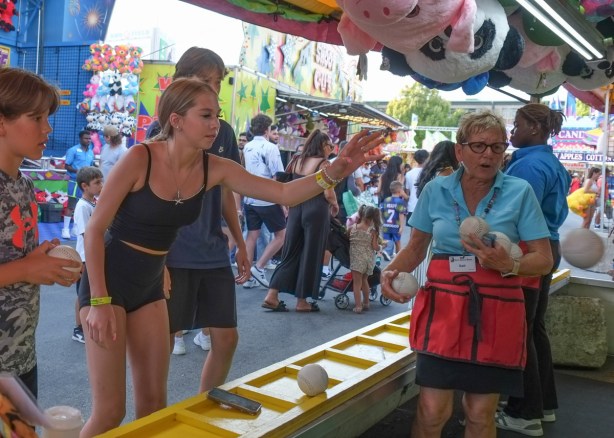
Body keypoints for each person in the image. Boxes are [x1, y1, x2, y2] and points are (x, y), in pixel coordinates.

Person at [77, 76, 383, 436]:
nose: (216, 125)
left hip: (150, 284)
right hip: (108, 281)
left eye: (217, 115)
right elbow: (96, 229)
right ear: (176, 120)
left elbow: (282, 194)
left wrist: (333, 172)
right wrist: (98, 300)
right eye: (206, 115)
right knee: (110, 413)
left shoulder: (214, 167)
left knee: (152, 410)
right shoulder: (140, 157)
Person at [381, 111, 553, 438]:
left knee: (479, 413)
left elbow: (544, 259)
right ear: (460, 151)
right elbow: (416, 248)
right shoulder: (436, 190)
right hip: (443, 311)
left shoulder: (520, 192)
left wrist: (511, 265)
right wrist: (389, 273)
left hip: (498, 312)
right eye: (478, 146)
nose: (489, 154)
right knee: (433, 411)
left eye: (497, 147)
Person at [144, 47, 248, 391]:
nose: (213, 88)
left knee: (227, 339)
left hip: (213, 250)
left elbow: (227, 191)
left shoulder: (223, 133)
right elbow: (135, 209)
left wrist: (240, 240)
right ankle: (154, 414)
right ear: (181, 82)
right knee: (162, 341)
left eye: (217, 82)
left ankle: (206, 404)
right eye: (205, 80)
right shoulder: (157, 134)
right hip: (172, 252)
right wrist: (158, 262)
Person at [0, 68, 81, 398]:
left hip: (20, 356)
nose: (47, 128)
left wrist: (41, 261)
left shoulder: (25, 185)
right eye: (36, 118)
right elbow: (20, 268)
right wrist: (26, 268)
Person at [495, 103, 571, 436]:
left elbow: (515, 214)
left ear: (535, 129)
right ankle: (542, 404)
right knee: (533, 328)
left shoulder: (529, 168)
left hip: (527, 251)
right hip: (548, 247)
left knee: (518, 330)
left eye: (518, 124)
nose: (512, 131)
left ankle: (524, 412)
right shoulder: (549, 162)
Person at [262, 130, 338, 312]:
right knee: (310, 254)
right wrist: (335, 204)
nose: (331, 150)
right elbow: (327, 191)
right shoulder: (323, 164)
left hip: (296, 209)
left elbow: (285, 184)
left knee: (290, 253)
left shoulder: (296, 161)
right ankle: (302, 301)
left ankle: (272, 294)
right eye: (329, 146)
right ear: (322, 146)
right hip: (316, 210)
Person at [242, 114, 286, 289]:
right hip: (267, 198)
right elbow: (278, 176)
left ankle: (246, 275)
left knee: (251, 236)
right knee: (281, 235)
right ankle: (259, 268)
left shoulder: (248, 147)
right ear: (267, 129)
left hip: (249, 197)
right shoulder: (271, 148)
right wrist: (282, 202)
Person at [72, 166, 103, 344]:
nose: (101, 185)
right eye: (97, 182)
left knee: (91, 293)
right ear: (85, 186)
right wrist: (84, 261)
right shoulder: (82, 207)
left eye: (101, 181)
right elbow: (87, 236)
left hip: (93, 256)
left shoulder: (94, 203)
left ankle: (88, 325)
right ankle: (78, 328)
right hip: (85, 257)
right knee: (82, 295)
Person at [349, 205, 381, 313]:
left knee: (357, 284)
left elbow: (347, 238)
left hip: (356, 260)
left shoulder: (353, 228)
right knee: (365, 280)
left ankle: (358, 306)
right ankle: (366, 303)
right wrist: (380, 247)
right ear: (373, 218)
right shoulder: (372, 231)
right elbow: (375, 247)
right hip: (368, 260)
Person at [63, 129, 94, 239]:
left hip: (86, 184)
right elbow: (66, 166)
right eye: (86, 138)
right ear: (80, 139)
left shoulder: (91, 152)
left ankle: (75, 228)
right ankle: (65, 229)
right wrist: (78, 172)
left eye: (89, 138)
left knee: (81, 206)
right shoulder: (73, 150)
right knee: (71, 205)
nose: (88, 140)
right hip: (74, 182)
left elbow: (91, 165)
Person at [380, 181, 407, 258]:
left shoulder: (386, 200)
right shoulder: (400, 201)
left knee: (386, 241)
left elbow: (381, 211)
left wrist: (382, 222)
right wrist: (401, 226)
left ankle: (386, 253)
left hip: (386, 225)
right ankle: (398, 257)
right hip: (396, 225)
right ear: (399, 191)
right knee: (397, 242)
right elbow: (401, 214)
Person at [405, 149, 429, 224]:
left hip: (412, 206)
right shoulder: (429, 173)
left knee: (413, 231)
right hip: (426, 207)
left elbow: (407, 192)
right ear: (426, 158)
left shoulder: (409, 173)